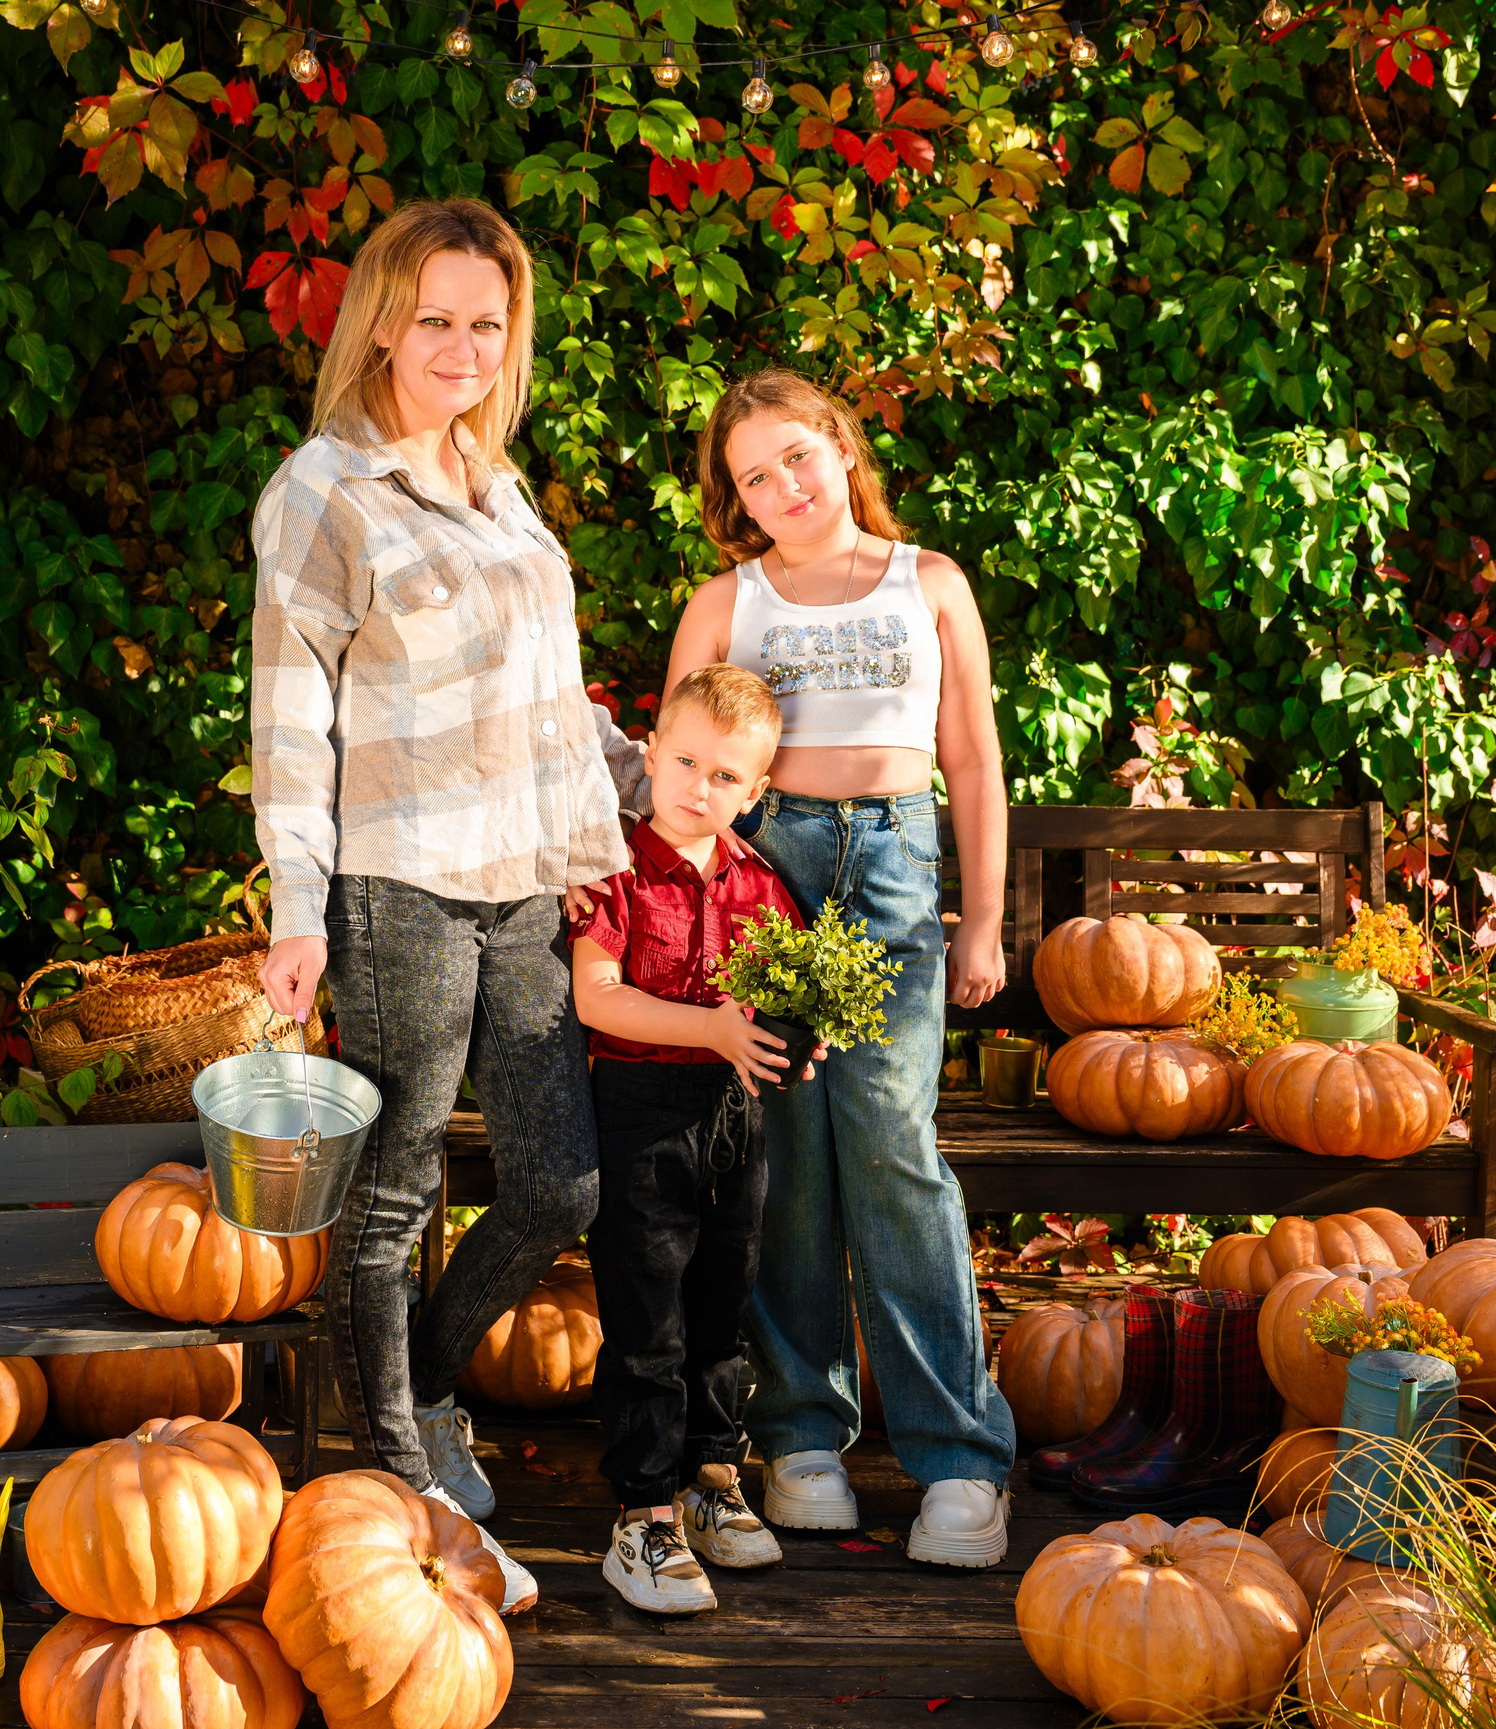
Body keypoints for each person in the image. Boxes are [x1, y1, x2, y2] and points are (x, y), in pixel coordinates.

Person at [251, 198, 648, 1614]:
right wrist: (302, 907)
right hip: (400, 885)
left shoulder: (502, 484)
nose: (465, 346)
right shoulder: (325, 491)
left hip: (526, 883)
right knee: (395, 1186)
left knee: (560, 1182)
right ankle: (400, 1468)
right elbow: (293, 720)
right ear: (381, 321)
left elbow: (548, 695)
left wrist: (650, 784)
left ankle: (410, 1384)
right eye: (439, 319)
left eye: (489, 323)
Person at [661, 368, 1017, 1568]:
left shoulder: (931, 583)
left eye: (796, 458)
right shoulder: (726, 603)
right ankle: (802, 1435)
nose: (782, 488)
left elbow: (970, 757)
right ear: (736, 500)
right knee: (785, 1149)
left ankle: (961, 1456)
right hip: (771, 866)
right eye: (753, 477)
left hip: (896, 867)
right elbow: (684, 787)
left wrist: (979, 923)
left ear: (840, 447)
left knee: (891, 1143)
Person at [566, 663, 809, 1614]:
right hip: (641, 1110)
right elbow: (598, 994)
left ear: (755, 794)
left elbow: (787, 996)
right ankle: (641, 1514)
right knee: (647, 1322)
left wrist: (802, 1037)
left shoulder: (760, 881)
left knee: (721, 1306)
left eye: (722, 776)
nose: (696, 785)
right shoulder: (616, 869)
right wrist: (710, 1025)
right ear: (652, 754)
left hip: (736, 1119)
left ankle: (712, 1482)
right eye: (684, 760)